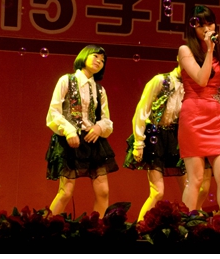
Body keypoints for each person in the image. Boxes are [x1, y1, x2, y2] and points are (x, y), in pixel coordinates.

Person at [45, 45, 117, 217]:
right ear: (84, 56)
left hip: (93, 142)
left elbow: (106, 119)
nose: (99, 61)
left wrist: (99, 127)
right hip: (70, 141)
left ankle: (98, 227)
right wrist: (69, 131)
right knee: (66, 192)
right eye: (95, 56)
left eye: (102, 60)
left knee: (103, 191)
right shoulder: (66, 80)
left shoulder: (100, 90)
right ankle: (45, 227)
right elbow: (54, 112)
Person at [177, 5, 220, 218]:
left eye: (210, 23)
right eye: (201, 25)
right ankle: (185, 226)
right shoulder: (185, 50)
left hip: (214, 115)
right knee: (197, 179)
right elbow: (201, 80)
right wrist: (210, 50)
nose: (206, 28)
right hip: (193, 114)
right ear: (193, 28)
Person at [123, 65, 187, 221]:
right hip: (155, 136)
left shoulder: (190, 87)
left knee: (189, 189)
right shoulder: (160, 81)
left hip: (175, 137)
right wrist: (138, 143)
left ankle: (190, 226)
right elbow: (142, 111)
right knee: (158, 192)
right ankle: (140, 227)